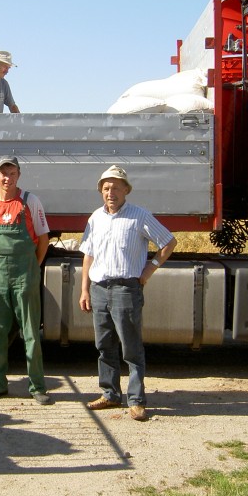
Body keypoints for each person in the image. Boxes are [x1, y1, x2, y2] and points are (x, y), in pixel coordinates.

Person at [79, 165, 177, 422]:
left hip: (126, 289)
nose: (111, 192)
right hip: (99, 289)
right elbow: (88, 255)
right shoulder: (95, 218)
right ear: (101, 191)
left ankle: (136, 400)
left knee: (131, 348)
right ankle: (110, 394)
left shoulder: (139, 216)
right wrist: (84, 290)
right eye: (106, 188)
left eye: (116, 187)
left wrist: (149, 269)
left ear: (126, 190)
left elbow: (169, 242)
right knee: (104, 346)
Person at [0, 156, 53, 405]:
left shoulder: (31, 201)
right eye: (3, 173)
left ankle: (37, 387)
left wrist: (33, 267)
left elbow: (43, 239)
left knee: (30, 330)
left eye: (12, 172)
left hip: (25, 272)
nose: (7, 177)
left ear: (18, 175)